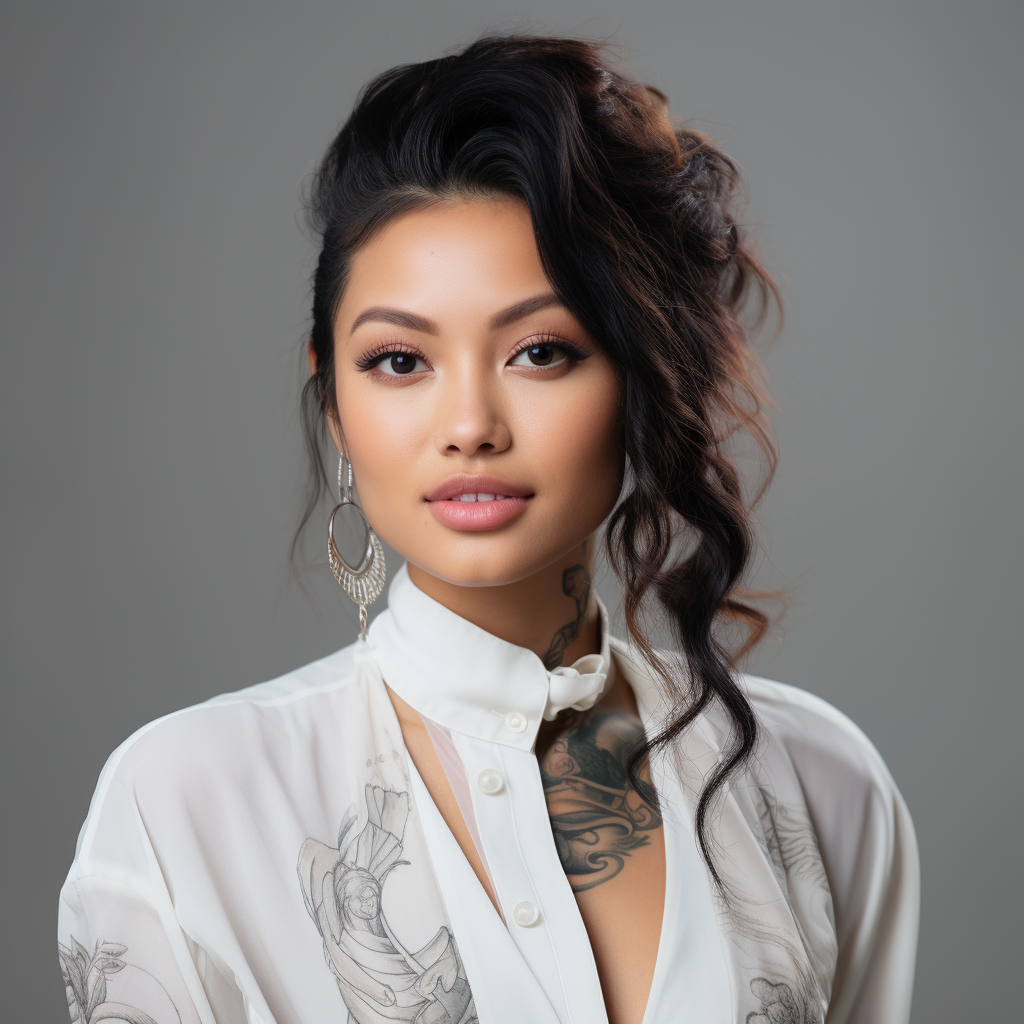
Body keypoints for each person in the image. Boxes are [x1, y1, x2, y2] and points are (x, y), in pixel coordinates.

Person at [57, 33, 919, 1024]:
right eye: (398, 361)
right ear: (332, 400)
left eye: (541, 351)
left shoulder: (817, 784)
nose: (469, 424)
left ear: (639, 379)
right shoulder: (187, 805)